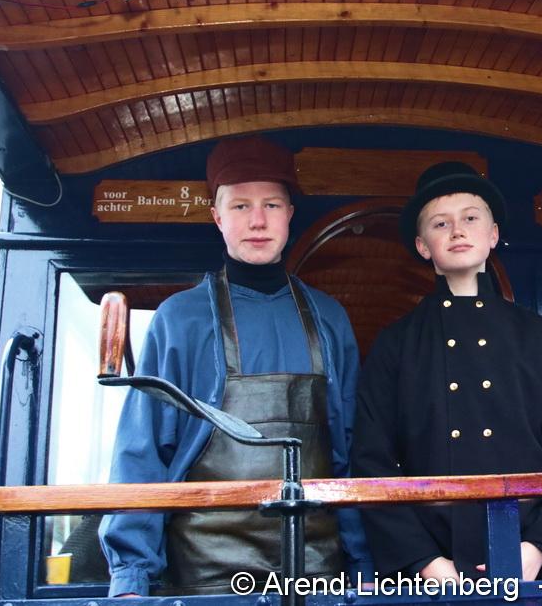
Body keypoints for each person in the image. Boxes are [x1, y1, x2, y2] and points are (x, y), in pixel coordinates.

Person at [99, 135, 370, 596]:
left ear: (289, 214)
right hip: (206, 578)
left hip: (318, 572)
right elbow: (142, 452)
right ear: (217, 217)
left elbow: (349, 454)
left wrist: (365, 566)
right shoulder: (179, 319)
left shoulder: (330, 318)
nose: (257, 220)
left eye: (271, 205)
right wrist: (131, 577)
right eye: (241, 206)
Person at [351, 162, 542, 581]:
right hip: (431, 566)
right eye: (440, 223)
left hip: (529, 556)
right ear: (423, 245)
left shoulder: (537, 335)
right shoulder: (395, 343)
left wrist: (541, 547)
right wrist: (423, 561)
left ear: (493, 235)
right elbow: (370, 459)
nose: (457, 231)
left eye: (470, 218)